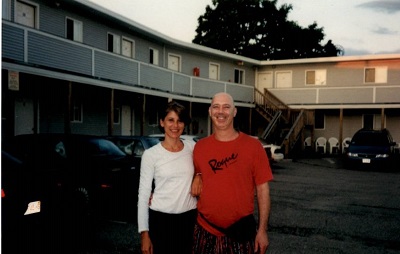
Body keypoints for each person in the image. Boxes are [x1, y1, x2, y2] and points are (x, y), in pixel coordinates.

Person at [191, 92, 273, 254]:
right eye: (216, 107)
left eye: (226, 107)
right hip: (205, 230)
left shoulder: (253, 147)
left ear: (234, 112)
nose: (220, 112)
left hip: (240, 232)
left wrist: (262, 230)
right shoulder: (200, 147)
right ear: (210, 111)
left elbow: (263, 190)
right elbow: (183, 176)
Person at [137, 100, 197, 254]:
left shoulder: (193, 147)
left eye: (179, 121)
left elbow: (209, 165)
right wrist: (144, 233)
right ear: (162, 122)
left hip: (189, 220)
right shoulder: (151, 155)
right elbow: (143, 195)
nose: (175, 126)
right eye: (170, 120)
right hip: (161, 221)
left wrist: (200, 175)